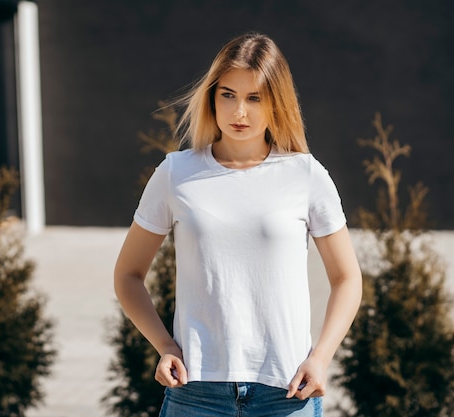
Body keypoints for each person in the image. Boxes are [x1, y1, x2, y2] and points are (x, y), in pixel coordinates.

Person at [114, 32, 362, 417]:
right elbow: (128, 275)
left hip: (286, 392)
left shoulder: (306, 175)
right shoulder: (176, 173)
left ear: (276, 103)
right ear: (212, 98)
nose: (239, 112)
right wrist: (164, 346)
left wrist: (321, 358)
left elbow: (348, 278)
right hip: (195, 392)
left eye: (254, 98)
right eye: (227, 95)